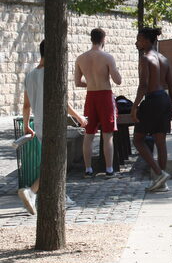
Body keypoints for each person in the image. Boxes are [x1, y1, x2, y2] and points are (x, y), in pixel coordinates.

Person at [18, 40, 87, 215]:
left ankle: (61, 196)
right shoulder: (54, 73)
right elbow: (63, 101)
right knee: (55, 161)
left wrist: (27, 125)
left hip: (39, 122)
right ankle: (32, 191)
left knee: (52, 159)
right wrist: (78, 116)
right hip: (52, 123)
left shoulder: (30, 75)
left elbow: (26, 105)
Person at [131, 27, 172, 191]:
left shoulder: (145, 58)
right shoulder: (163, 58)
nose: (137, 42)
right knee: (160, 141)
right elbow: (171, 85)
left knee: (137, 139)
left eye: (139, 39)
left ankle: (159, 173)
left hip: (152, 100)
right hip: (163, 99)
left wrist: (134, 107)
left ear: (148, 40)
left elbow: (143, 85)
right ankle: (161, 182)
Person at [74, 28, 122, 178]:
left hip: (91, 96)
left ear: (91, 39)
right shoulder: (107, 57)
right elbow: (118, 81)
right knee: (107, 134)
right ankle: (109, 169)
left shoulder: (80, 58)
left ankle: (88, 169)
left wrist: (90, 83)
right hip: (105, 96)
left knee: (88, 135)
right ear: (104, 39)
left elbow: (77, 82)